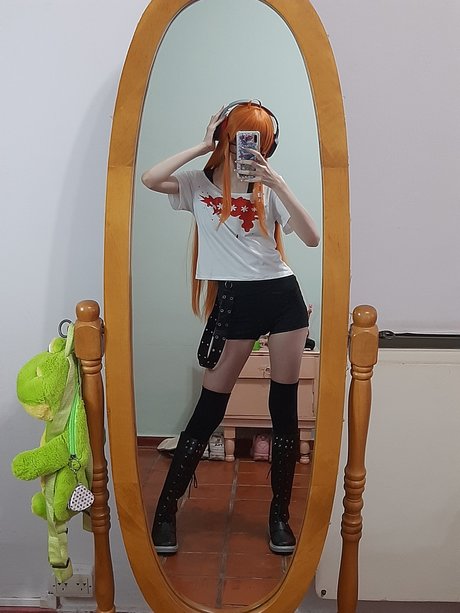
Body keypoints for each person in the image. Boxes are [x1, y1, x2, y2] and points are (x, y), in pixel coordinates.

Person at [141, 100, 320, 556]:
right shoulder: (196, 185)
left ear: (270, 146)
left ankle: (279, 515)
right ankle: (166, 510)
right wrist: (203, 145)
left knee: (284, 409)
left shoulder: (269, 188)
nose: (251, 147)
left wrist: (277, 181)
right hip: (235, 302)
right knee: (209, 410)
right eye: (242, 137)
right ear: (226, 137)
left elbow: (312, 237)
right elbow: (150, 178)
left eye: (260, 141)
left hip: (283, 299)